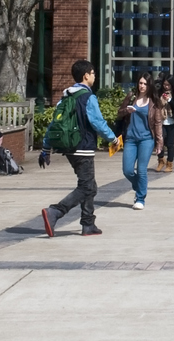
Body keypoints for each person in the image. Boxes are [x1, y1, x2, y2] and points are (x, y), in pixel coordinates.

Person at [38, 59, 116, 236]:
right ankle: (55, 212)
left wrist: (46, 148)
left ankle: (88, 224)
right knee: (87, 187)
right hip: (83, 148)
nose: (95, 76)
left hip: (69, 147)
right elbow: (97, 122)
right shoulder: (88, 97)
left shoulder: (66, 97)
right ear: (86, 75)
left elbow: (54, 124)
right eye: (93, 73)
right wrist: (112, 139)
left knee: (89, 185)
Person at [119, 73, 157, 207]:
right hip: (130, 138)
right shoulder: (131, 97)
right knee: (127, 170)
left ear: (149, 85)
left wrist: (159, 143)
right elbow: (119, 113)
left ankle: (140, 198)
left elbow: (157, 123)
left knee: (141, 170)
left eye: (145, 84)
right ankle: (139, 186)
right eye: (140, 83)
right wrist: (126, 111)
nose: (142, 86)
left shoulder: (153, 101)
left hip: (146, 139)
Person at [155, 75, 174, 172]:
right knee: (159, 142)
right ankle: (161, 160)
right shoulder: (159, 93)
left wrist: (169, 100)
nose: (166, 87)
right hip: (161, 120)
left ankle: (170, 163)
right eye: (164, 85)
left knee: (169, 143)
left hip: (171, 121)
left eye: (168, 85)